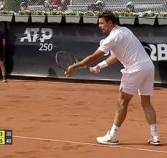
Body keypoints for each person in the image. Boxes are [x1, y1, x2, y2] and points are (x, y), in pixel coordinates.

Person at [65, 10, 161, 145]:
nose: (99, 25)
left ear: (110, 23)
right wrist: (99, 66)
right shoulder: (125, 31)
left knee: (122, 102)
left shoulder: (112, 38)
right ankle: (155, 136)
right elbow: (116, 56)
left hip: (134, 70)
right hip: (148, 67)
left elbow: (94, 56)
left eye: (102, 23)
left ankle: (112, 135)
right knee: (146, 102)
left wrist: (75, 66)